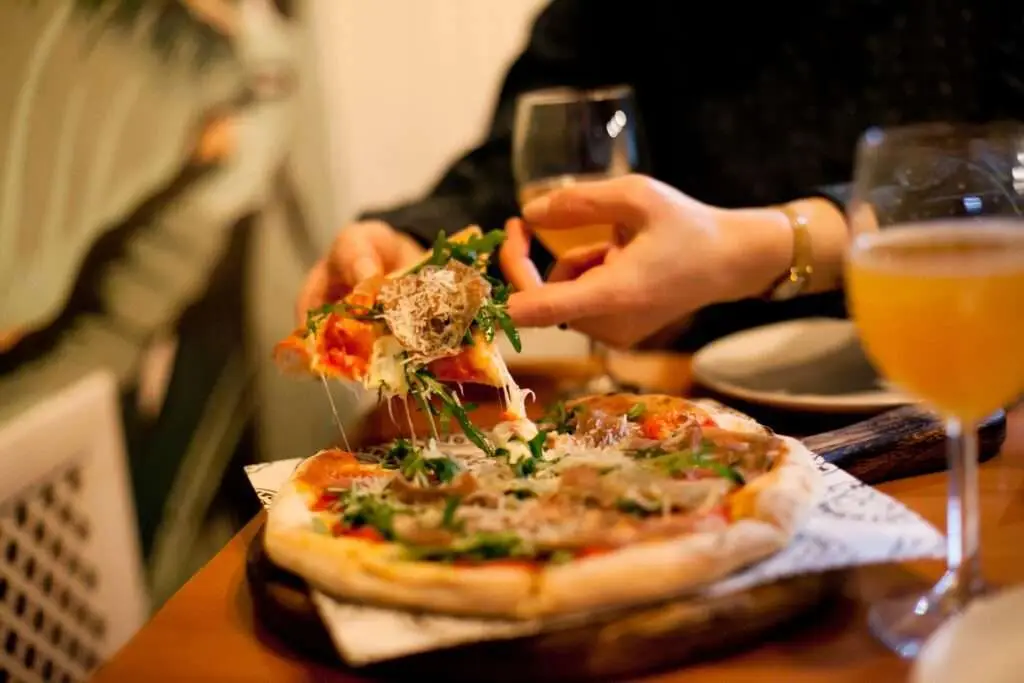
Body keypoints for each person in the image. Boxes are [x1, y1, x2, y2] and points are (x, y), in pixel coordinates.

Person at [298, 0, 1019, 348]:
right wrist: (419, 239)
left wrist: (777, 244)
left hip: (986, 388)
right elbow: (538, 152)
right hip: (716, 405)